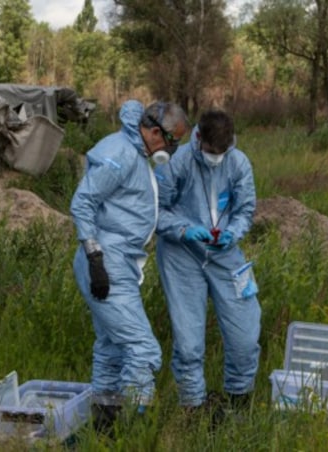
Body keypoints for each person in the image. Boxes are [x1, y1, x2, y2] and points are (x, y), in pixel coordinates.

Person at [70, 99, 189, 433]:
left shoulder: (135, 152)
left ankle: (104, 429)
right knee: (143, 350)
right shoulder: (120, 154)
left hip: (119, 259)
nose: (172, 149)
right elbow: (82, 202)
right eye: (171, 142)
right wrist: (95, 258)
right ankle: (136, 429)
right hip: (106, 261)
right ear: (154, 132)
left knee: (110, 347)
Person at [155, 109, 261, 422]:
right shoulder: (175, 162)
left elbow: (245, 210)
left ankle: (238, 401)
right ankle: (194, 408)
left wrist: (233, 233)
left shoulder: (238, 163)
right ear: (198, 138)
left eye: (222, 152)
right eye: (211, 152)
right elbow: (156, 210)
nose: (216, 157)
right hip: (181, 254)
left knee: (246, 331)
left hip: (225, 254)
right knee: (189, 341)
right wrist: (186, 229)